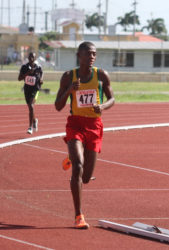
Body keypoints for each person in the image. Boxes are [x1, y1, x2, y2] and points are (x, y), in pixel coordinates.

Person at [55, 41, 115, 229]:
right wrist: (69, 90)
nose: (92, 57)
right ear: (79, 55)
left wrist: (103, 106)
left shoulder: (101, 75)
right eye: (88, 54)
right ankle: (78, 215)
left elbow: (112, 98)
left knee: (86, 177)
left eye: (94, 54)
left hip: (94, 126)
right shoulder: (68, 77)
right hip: (76, 124)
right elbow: (57, 106)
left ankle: (73, 156)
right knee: (78, 168)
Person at [18, 52, 43, 134]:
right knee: (30, 107)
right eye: (30, 57)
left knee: (31, 106)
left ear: (35, 58)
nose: (31, 58)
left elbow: (41, 76)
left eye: (32, 57)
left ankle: (30, 127)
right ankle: (35, 120)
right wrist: (27, 73)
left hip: (35, 90)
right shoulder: (24, 67)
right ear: (28, 58)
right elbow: (19, 78)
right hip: (27, 90)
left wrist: (41, 80)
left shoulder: (38, 68)